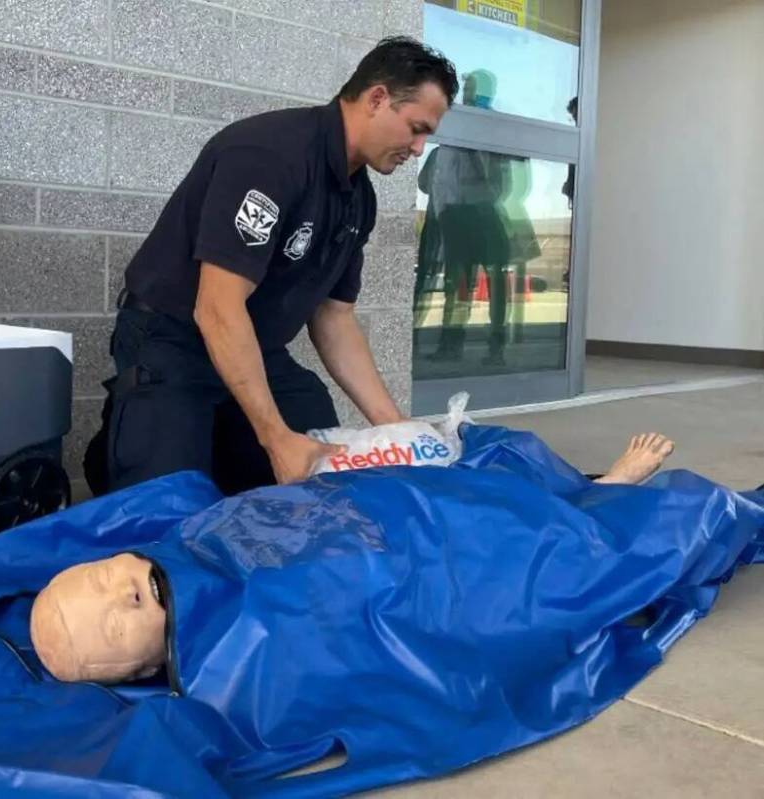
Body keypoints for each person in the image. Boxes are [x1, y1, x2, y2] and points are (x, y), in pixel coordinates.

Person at [83, 36, 459, 499]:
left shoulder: (358, 199)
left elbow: (333, 317)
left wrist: (397, 428)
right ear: (377, 98)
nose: (419, 149)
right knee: (167, 504)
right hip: (173, 340)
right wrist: (275, 439)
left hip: (255, 347)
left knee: (315, 434)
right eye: (416, 128)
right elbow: (217, 308)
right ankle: (133, 445)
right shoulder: (270, 156)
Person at [38, 432, 678, 683]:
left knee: (465, 497)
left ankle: (574, 501)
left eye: (100, 578)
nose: (120, 593)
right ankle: (600, 502)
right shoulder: (235, 666)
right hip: (396, 568)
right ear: (139, 671)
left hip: (371, 515)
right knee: (502, 562)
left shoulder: (194, 535)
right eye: (116, 624)